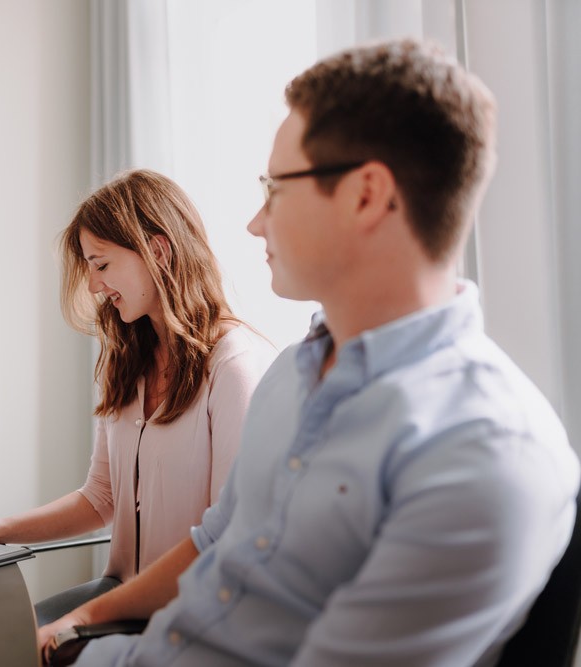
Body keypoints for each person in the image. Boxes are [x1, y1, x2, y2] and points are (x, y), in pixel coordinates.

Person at [37, 39, 580, 667]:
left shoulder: (484, 449)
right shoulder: (292, 376)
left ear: (366, 195)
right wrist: (76, 626)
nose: (255, 222)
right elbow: (215, 543)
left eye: (276, 188)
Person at [0, 169, 276, 618]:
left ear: (158, 251)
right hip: (121, 595)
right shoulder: (129, 359)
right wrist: (0, 528)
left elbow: (230, 533)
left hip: (192, 613)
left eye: (101, 264)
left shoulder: (233, 364)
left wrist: (84, 621)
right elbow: (101, 497)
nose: (93, 285)